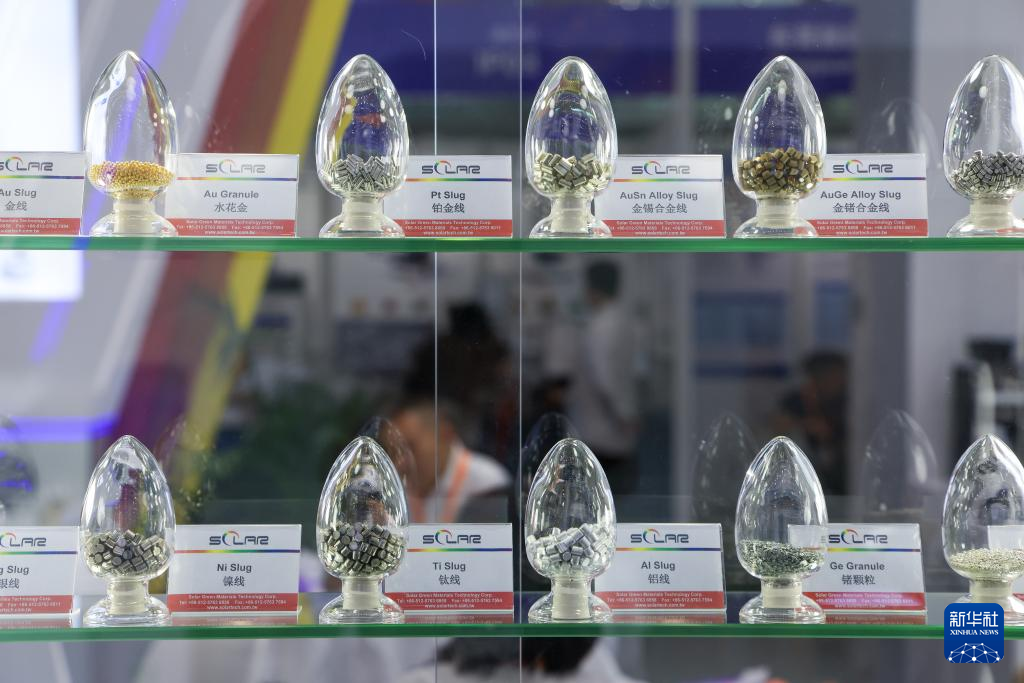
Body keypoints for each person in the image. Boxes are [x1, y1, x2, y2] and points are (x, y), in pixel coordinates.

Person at [567, 261, 639, 494]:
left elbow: (604, 379)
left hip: (602, 431)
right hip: (612, 428)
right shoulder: (621, 322)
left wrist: (623, 415)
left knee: (601, 496)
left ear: (593, 288)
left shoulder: (601, 327)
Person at [390, 397, 510, 523]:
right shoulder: (395, 489)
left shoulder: (488, 482)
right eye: (393, 451)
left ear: (444, 434)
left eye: (410, 447)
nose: (400, 463)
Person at [775, 351, 849, 495]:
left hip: (841, 482)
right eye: (823, 375)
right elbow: (779, 429)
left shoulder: (848, 405)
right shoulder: (797, 401)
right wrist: (804, 425)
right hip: (803, 478)